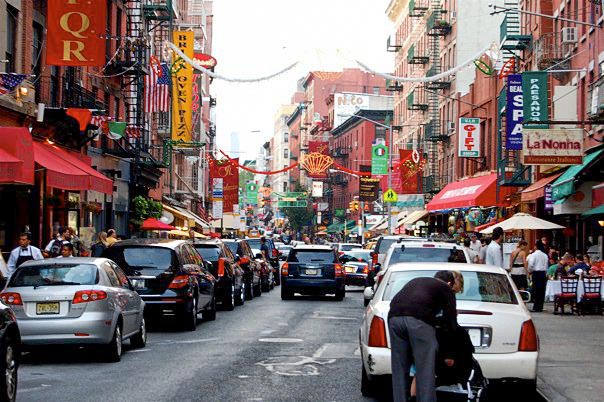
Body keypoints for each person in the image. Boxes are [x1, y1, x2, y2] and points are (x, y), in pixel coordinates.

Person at [388, 270, 458, 402]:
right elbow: (451, 322)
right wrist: (449, 353)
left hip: (394, 319)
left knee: (399, 367)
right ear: (449, 283)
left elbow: (398, 301)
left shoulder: (417, 281)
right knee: (425, 368)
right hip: (419, 321)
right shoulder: (446, 288)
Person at [527, 240, 549, 312]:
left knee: (535, 289)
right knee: (542, 290)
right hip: (543, 273)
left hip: (536, 273)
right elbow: (546, 265)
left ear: (536, 246)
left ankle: (536, 306)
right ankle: (540, 306)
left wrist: (530, 271)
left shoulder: (533, 255)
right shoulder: (545, 255)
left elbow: (531, 264)